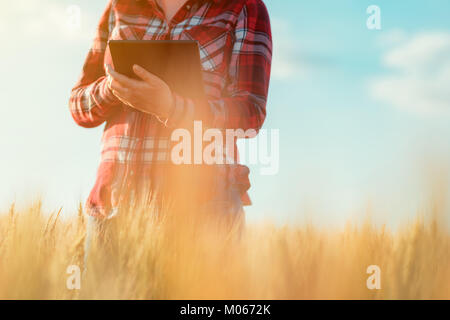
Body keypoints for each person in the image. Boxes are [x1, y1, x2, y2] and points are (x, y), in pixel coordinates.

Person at [69, 0, 272, 265]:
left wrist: (171, 107)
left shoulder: (243, 8)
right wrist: (111, 89)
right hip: (114, 209)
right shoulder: (120, 7)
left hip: (204, 209)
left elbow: (249, 113)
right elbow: (77, 106)